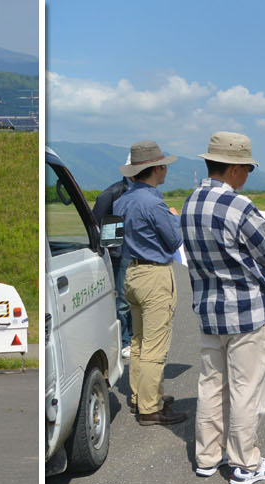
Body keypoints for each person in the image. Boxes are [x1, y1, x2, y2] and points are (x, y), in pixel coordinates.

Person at [180, 131, 265, 484]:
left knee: (211, 385)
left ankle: (207, 457)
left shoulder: (190, 203)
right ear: (234, 169)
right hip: (247, 312)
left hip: (209, 310)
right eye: (247, 169)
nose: (247, 175)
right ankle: (245, 463)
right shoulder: (238, 205)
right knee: (247, 389)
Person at [114, 140, 184, 425]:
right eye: (163, 165)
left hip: (131, 272)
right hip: (154, 275)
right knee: (155, 345)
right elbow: (174, 240)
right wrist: (174, 219)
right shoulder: (154, 203)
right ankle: (150, 407)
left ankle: (139, 395)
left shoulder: (122, 200)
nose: (166, 169)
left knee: (138, 341)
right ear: (156, 169)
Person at [91, 170, 134, 348]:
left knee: (133, 298)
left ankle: (132, 337)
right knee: (122, 299)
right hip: (120, 252)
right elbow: (95, 221)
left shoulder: (139, 190)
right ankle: (124, 341)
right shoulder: (112, 193)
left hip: (135, 252)